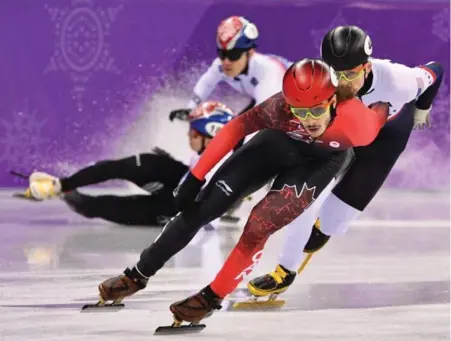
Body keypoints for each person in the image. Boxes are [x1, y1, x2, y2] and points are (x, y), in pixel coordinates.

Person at [91, 59, 389, 326]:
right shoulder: (279, 108)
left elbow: (385, 113)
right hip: (275, 145)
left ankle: (211, 296)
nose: (309, 120)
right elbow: (235, 129)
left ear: (334, 101)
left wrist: (400, 103)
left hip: (319, 164)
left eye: (316, 110)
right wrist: (196, 177)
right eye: (300, 110)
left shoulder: (359, 125)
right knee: (201, 206)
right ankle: (137, 274)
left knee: (259, 224)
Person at [247, 25, 444, 301]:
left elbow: (436, 69)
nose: (341, 83)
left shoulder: (401, 81)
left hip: (386, 138)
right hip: (344, 130)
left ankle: (321, 232)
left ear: (366, 67)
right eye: (335, 74)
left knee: (325, 227)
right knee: (303, 198)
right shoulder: (323, 79)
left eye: (349, 74)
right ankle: (284, 271)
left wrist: (423, 107)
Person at [22, 101, 235, 228]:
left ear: (213, 135)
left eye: (194, 132)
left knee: (96, 208)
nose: (189, 135)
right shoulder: (208, 152)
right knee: (127, 167)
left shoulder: (228, 164)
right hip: (180, 185)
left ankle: (65, 191)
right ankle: (62, 186)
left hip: (180, 208)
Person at [169, 15, 292, 125]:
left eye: (234, 55)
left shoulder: (268, 72)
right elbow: (207, 83)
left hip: (297, 102)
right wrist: (191, 108)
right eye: (222, 54)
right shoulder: (221, 65)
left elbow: (263, 120)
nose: (226, 61)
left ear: (250, 53)